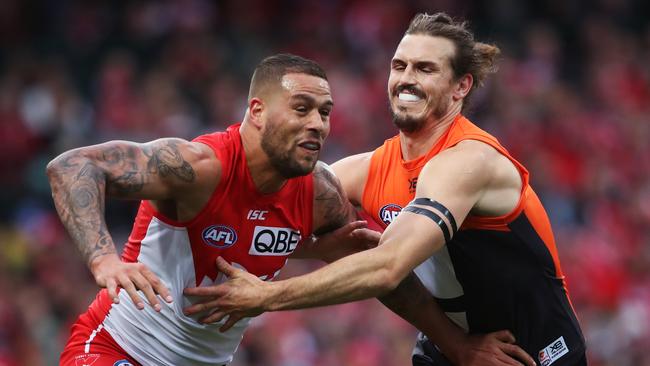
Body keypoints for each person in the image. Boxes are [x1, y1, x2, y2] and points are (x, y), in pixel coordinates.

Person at [48, 53, 531, 366]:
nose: (317, 124)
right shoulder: (199, 167)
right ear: (256, 111)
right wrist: (102, 259)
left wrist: (457, 346)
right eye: (301, 108)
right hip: (117, 349)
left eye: (324, 112)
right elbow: (73, 166)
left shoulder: (319, 194)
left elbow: (383, 273)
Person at [183, 13, 587, 366]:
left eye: (425, 69)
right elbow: (271, 216)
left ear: (461, 86)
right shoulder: (368, 169)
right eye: (400, 65)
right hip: (451, 348)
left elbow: (389, 265)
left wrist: (267, 296)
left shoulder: (469, 162)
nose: (406, 79)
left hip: (530, 350)